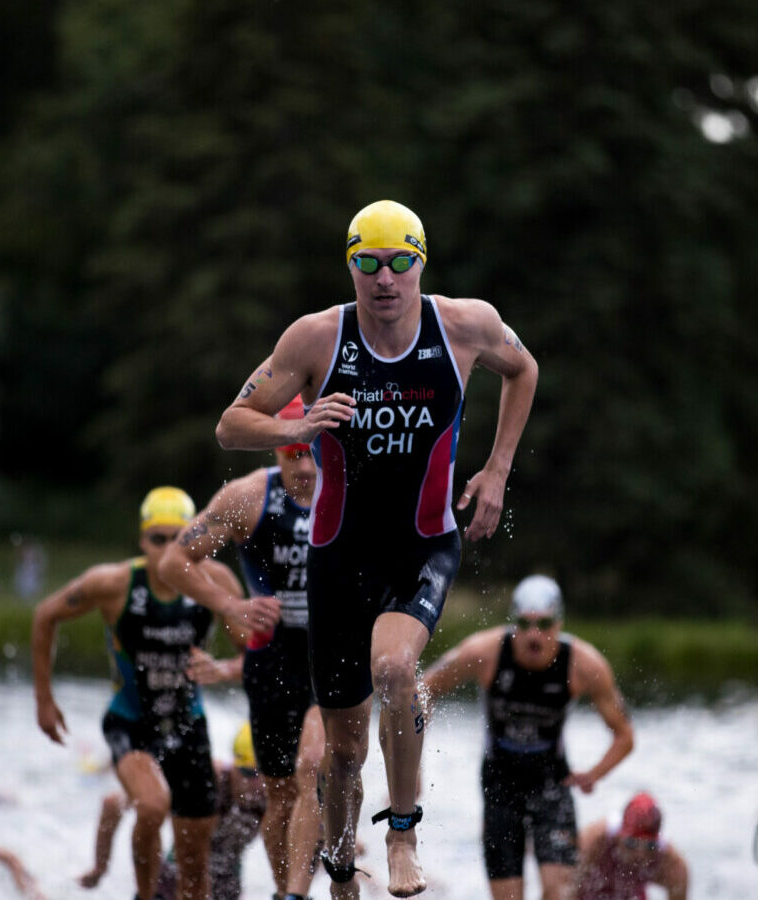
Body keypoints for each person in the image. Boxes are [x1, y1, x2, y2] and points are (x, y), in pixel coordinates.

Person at [216, 200, 539, 898]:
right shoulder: (315, 341)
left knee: (395, 670)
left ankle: (402, 835)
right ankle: (338, 872)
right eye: (368, 262)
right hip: (339, 558)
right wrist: (295, 432)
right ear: (351, 267)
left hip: (422, 545)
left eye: (399, 262)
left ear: (421, 262)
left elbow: (525, 370)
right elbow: (230, 426)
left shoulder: (464, 326)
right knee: (342, 753)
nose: (384, 278)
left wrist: (497, 470)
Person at [32, 487, 245, 900]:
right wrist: (44, 699)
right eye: (157, 539)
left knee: (195, 868)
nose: (167, 549)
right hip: (129, 722)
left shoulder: (216, 581)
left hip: (189, 726)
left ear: (193, 538)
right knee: (150, 805)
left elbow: (253, 653)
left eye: (178, 538)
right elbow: (46, 615)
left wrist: (221, 669)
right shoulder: (113, 583)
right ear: (142, 540)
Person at [159, 396, 326, 900]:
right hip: (271, 662)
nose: (303, 466)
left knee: (312, 768)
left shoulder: (351, 493)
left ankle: (299, 890)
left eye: (313, 452)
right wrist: (229, 606)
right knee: (279, 795)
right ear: (274, 447)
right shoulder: (247, 498)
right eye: (291, 452)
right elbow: (173, 563)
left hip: (330, 656)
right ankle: (286, 891)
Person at [422, 575, 636, 900]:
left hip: (552, 781)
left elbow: (624, 736)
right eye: (524, 624)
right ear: (513, 623)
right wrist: (413, 766)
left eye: (545, 625)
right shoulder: (486, 651)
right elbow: (424, 688)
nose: (534, 635)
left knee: (560, 892)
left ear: (559, 623)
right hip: (499, 782)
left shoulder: (584, 664)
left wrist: (594, 774)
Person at [83, 722, 268, 900]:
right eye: (249, 773)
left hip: (226, 888)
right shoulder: (207, 779)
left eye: (265, 775)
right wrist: (100, 866)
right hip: (171, 883)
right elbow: (113, 804)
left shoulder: (274, 795)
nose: (258, 784)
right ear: (234, 764)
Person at [575, 792, 689, 900]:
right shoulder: (595, 842)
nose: (640, 853)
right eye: (632, 843)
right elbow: (562, 887)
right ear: (619, 836)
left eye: (650, 846)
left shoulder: (671, 864)